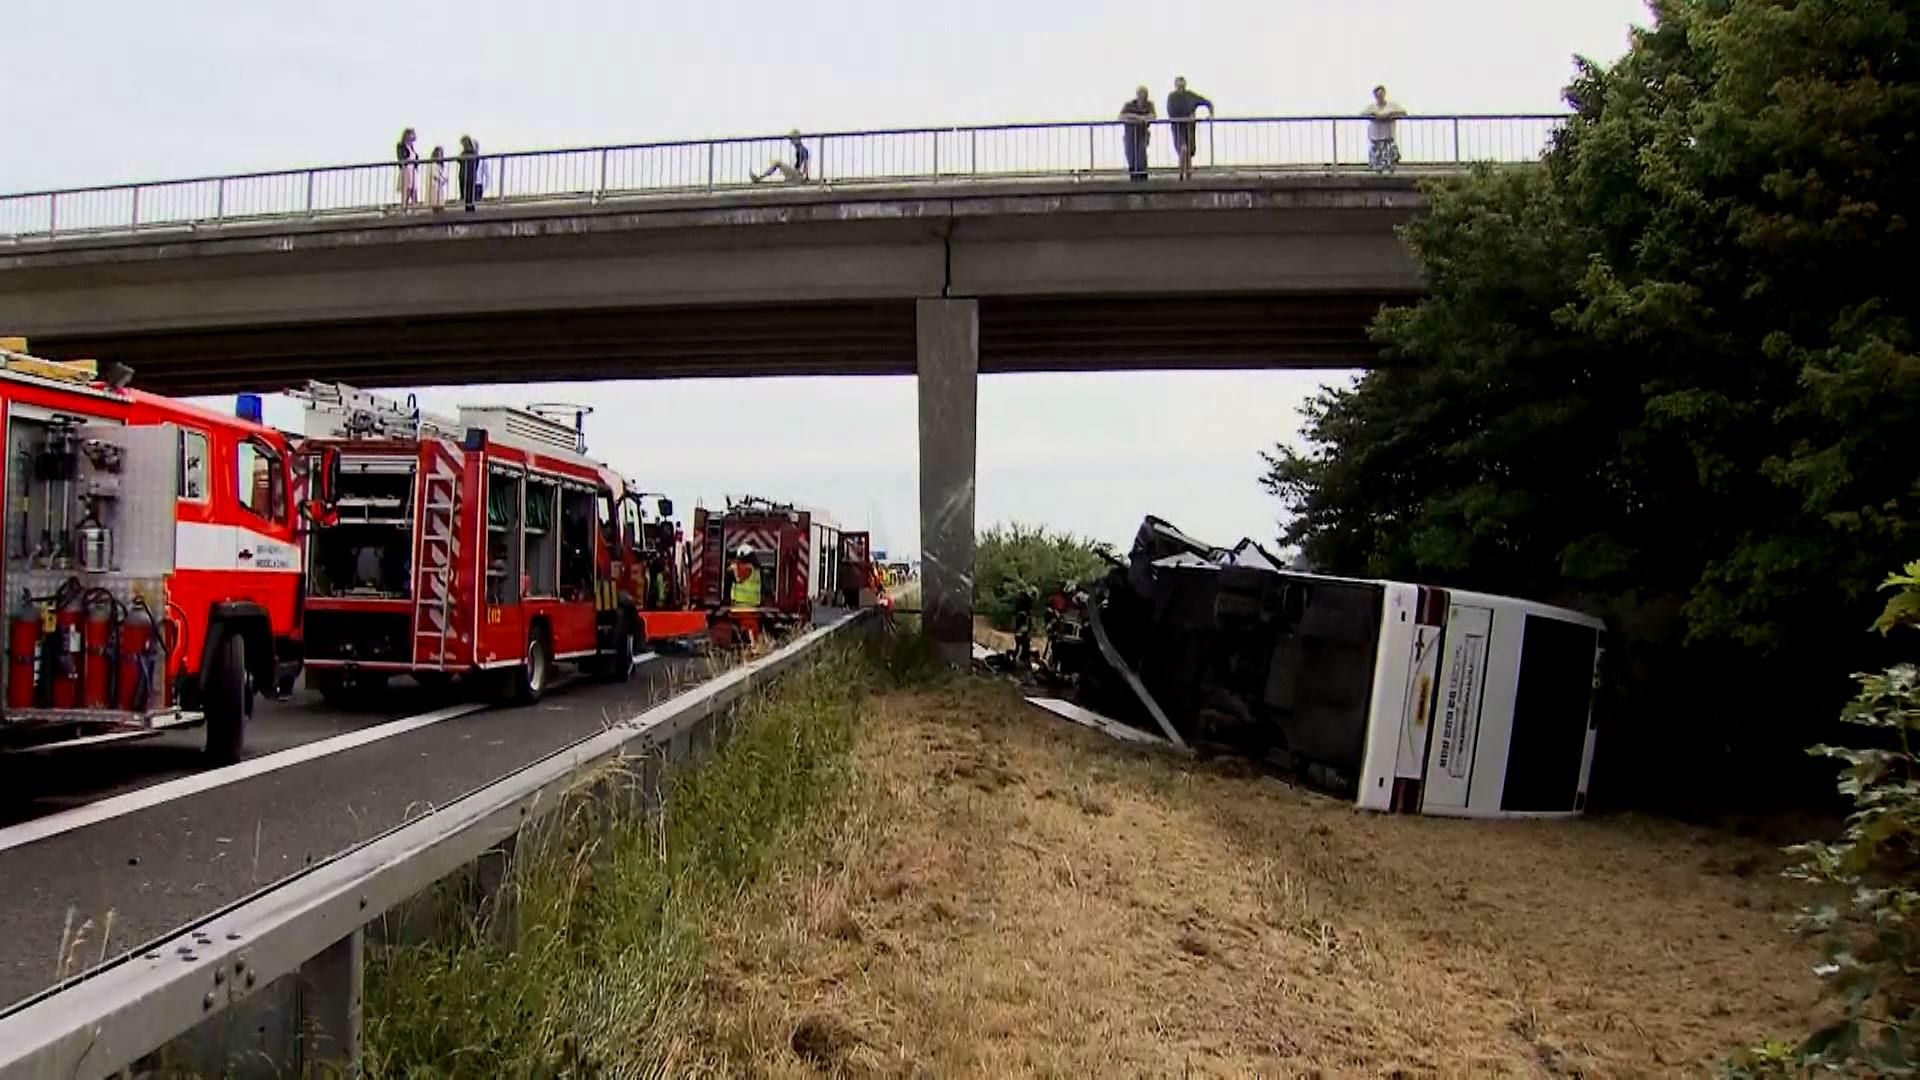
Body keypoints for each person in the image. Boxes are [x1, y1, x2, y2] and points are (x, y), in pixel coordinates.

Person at [1166, 77, 1214, 180]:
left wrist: (1211, 114)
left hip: (1190, 128)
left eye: (1182, 86)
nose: (1181, 89)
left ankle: (1188, 175)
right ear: (1175, 86)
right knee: (1183, 149)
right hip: (1178, 128)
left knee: (1189, 152)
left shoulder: (1190, 96)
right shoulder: (1172, 97)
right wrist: (1188, 116)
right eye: (1179, 86)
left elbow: (1207, 102)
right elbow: (1171, 113)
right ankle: (1181, 174)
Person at [1364, 85, 1407, 174]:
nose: (1380, 97)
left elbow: (1404, 113)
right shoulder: (1372, 107)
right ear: (1375, 96)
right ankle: (1378, 175)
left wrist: (1390, 115)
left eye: (1381, 94)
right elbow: (1362, 115)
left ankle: (1391, 174)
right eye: (1378, 95)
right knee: (1377, 162)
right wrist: (1374, 115)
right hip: (1376, 137)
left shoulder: (1392, 105)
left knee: (1391, 160)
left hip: (1388, 137)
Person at [1119, 86, 1156, 182]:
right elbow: (1121, 116)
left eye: (1144, 94)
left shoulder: (1149, 105)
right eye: (1141, 94)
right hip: (1130, 135)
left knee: (1141, 156)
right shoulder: (1129, 105)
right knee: (1131, 156)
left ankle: (1142, 179)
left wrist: (1141, 119)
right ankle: (1134, 179)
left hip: (1142, 134)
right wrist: (1138, 117)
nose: (1142, 96)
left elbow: (1152, 117)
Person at [395, 128, 419, 209]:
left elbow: (415, 159)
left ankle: (414, 209)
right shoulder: (401, 145)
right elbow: (401, 158)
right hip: (406, 170)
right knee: (407, 191)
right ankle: (404, 209)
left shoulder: (412, 147)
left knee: (414, 191)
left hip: (413, 171)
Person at [457, 135, 481, 212]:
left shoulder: (464, 153)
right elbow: (477, 163)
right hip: (470, 174)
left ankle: (468, 209)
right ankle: (470, 208)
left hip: (465, 175)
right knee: (470, 193)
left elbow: (459, 160)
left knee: (467, 193)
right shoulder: (474, 153)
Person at [424, 146, 447, 210]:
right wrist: (442, 179)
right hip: (434, 185)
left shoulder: (438, 164)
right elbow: (435, 174)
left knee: (439, 201)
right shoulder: (432, 164)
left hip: (438, 185)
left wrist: (444, 179)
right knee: (436, 201)